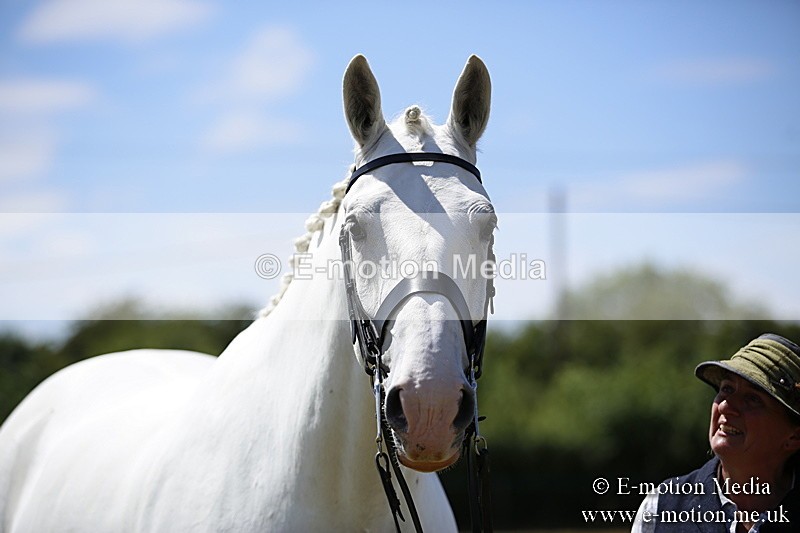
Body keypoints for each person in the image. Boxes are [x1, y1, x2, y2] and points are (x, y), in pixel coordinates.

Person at [632, 333, 800, 533]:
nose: (726, 406)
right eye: (727, 389)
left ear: (794, 437)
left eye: (753, 399)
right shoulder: (661, 506)